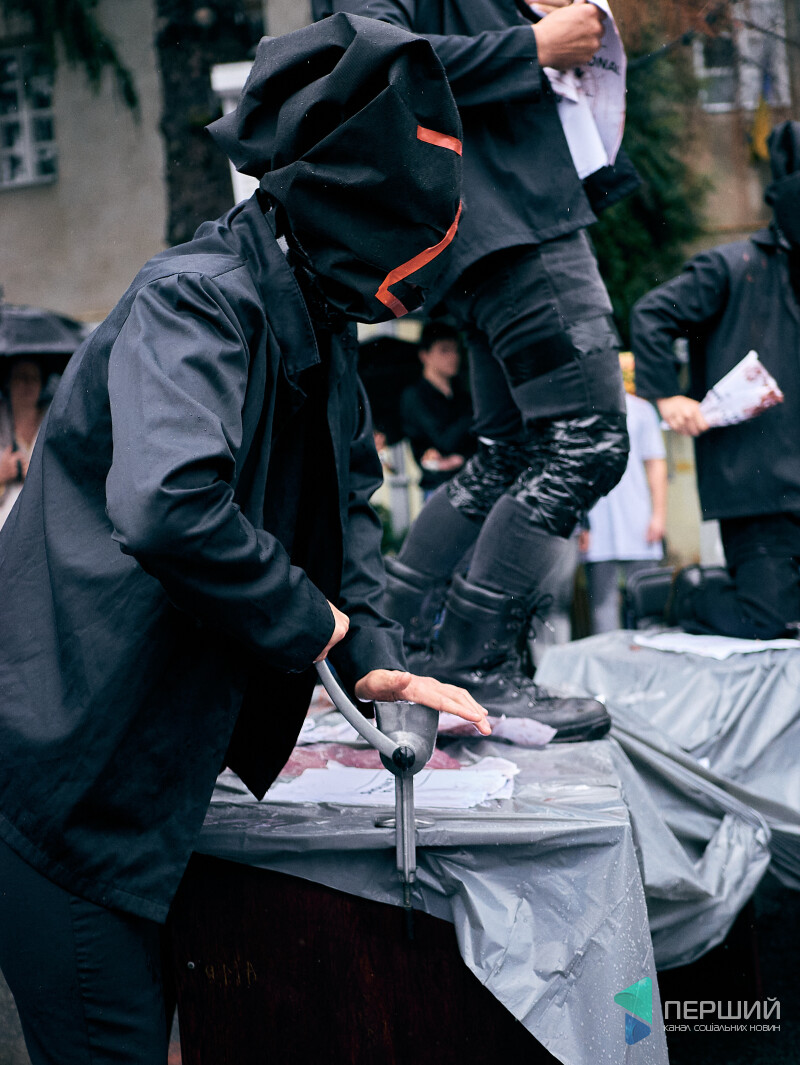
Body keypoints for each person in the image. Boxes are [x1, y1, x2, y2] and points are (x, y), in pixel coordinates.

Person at [0, 17, 491, 1064]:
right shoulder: (195, 300)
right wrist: (312, 621)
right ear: (351, 205)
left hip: (149, 776)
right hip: (68, 777)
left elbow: (347, 500)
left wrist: (372, 656)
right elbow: (167, 505)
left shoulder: (318, 319)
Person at [314, 0, 639, 740]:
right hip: (509, 216)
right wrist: (532, 45)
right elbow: (376, 60)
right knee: (587, 442)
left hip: (496, 216)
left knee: (513, 452)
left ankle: (404, 643)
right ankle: (475, 659)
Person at [630, 120, 800, 640]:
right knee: (767, 618)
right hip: (755, 486)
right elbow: (651, 314)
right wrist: (666, 395)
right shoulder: (733, 264)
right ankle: (684, 593)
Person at [581, 353, 668, 633]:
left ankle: (650, 654)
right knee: (602, 604)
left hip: (638, 515)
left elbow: (655, 464)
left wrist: (659, 515)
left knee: (647, 599)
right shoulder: (584, 412)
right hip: (598, 520)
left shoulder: (642, 411)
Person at [399, 320, 475, 498]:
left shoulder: (462, 395)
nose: (453, 357)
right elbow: (443, 440)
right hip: (438, 487)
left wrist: (460, 457)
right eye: (444, 350)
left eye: (456, 350)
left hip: (468, 481)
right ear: (425, 355)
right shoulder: (415, 396)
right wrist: (472, 416)